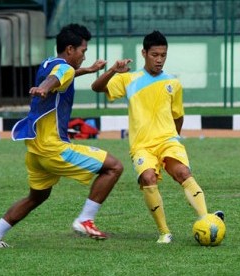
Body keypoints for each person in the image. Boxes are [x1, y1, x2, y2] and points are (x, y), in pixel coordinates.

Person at [0, 24, 124, 248]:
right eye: (83, 51)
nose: (83, 55)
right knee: (114, 167)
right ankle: (84, 219)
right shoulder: (63, 69)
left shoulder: (49, 62)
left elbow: (59, 75)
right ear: (70, 49)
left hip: (35, 150)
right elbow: (57, 78)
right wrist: (45, 88)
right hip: (52, 148)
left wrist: (86, 70)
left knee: (36, 197)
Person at [91, 30, 223, 244]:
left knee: (183, 172)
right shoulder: (128, 79)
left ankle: (206, 218)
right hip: (142, 146)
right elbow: (96, 87)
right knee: (148, 178)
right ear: (144, 53)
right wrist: (113, 71)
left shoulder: (173, 83)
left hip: (168, 141)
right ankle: (164, 232)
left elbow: (178, 116)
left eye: (163, 55)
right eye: (155, 55)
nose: (159, 59)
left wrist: (174, 139)